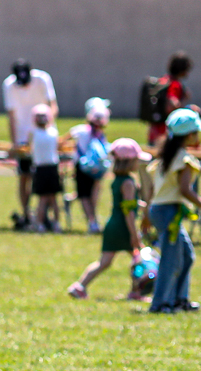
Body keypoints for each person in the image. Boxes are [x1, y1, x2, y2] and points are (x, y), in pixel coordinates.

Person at [68, 139, 151, 301]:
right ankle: (136, 291)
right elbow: (128, 211)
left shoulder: (118, 180)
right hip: (123, 226)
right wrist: (134, 233)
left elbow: (127, 203)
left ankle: (80, 286)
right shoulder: (128, 182)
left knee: (104, 262)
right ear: (129, 162)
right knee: (138, 258)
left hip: (113, 225)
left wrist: (142, 206)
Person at [147, 109, 201, 313]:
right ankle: (160, 303)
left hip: (161, 210)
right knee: (171, 260)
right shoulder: (183, 160)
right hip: (168, 212)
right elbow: (185, 190)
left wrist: (145, 215)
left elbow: (153, 189)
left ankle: (180, 299)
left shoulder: (166, 157)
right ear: (189, 134)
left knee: (186, 255)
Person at [3, 59, 57, 229]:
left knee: (44, 178)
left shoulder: (42, 79)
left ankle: (45, 216)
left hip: (43, 137)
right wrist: (15, 143)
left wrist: (45, 127)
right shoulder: (9, 85)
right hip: (22, 138)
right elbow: (11, 115)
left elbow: (53, 106)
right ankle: (26, 213)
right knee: (24, 176)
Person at [68, 100, 110, 233]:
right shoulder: (101, 134)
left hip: (82, 167)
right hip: (98, 169)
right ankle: (94, 221)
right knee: (93, 194)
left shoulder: (80, 130)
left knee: (84, 195)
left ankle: (92, 222)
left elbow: (64, 140)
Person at [148, 53, 193, 147]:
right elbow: (172, 105)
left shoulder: (163, 80)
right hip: (166, 133)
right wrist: (187, 108)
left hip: (154, 130)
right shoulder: (175, 84)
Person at [30, 104, 62, 232]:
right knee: (53, 198)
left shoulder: (33, 133)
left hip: (40, 168)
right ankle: (57, 224)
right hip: (53, 168)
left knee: (42, 199)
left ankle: (40, 223)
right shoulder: (53, 132)